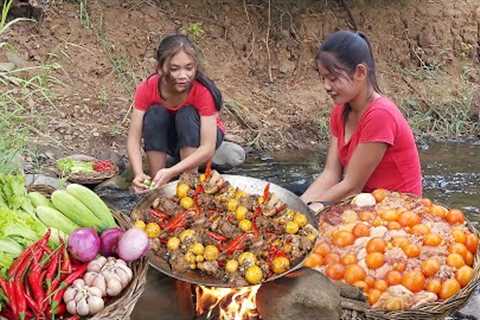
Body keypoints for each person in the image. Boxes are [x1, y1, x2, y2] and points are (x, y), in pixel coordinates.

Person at [301, 30, 422, 211]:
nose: (326, 86)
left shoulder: (380, 115)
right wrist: (297, 206)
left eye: (333, 78)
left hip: (397, 213)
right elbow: (331, 174)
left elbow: (351, 185)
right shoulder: (340, 111)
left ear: (360, 72)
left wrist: (307, 212)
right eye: (323, 78)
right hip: (363, 203)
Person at [127, 34, 225, 193]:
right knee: (155, 113)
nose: (183, 76)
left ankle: (188, 180)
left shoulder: (203, 91)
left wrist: (172, 172)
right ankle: (155, 181)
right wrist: (138, 173)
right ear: (160, 68)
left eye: (189, 68)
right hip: (171, 135)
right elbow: (133, 138)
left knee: (185, 114)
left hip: (201, 136)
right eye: (174, 69)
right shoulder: (147, 88)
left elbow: (207, 146)